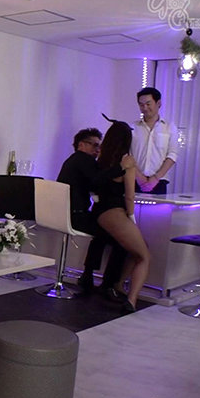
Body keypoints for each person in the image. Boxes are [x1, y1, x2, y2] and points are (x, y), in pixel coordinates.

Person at [57, 128, 133, 301]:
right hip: (75, 216)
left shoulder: (74, 161)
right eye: (94, 145)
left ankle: (88, 275)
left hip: (66, 214)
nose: (97, 150)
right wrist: (121, 168)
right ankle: (109, 284)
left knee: (101, 234)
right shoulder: (83, 159)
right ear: (81, 145)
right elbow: (97, 180)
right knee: (121, 239)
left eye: (99, 146)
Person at [93, 122, 151, 312]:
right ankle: (132, 300)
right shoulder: (127, 162)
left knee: (137, 249)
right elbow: (129, 196)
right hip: (115, 212)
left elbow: (95, 184)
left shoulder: (101, 158)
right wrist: (132, 217)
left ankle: (118, 285)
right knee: (144, 256)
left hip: (99, 212)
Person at [131, 87, 178, 194]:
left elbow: (172, 155)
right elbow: (128, 155)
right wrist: (139, 177)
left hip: (159, 181)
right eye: (141, 105)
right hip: (135, 180)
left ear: (158, 103)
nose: (145, 108)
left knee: (159, 206)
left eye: (148, 104)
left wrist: (156, 178)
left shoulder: (169, 127)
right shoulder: (133, 128)